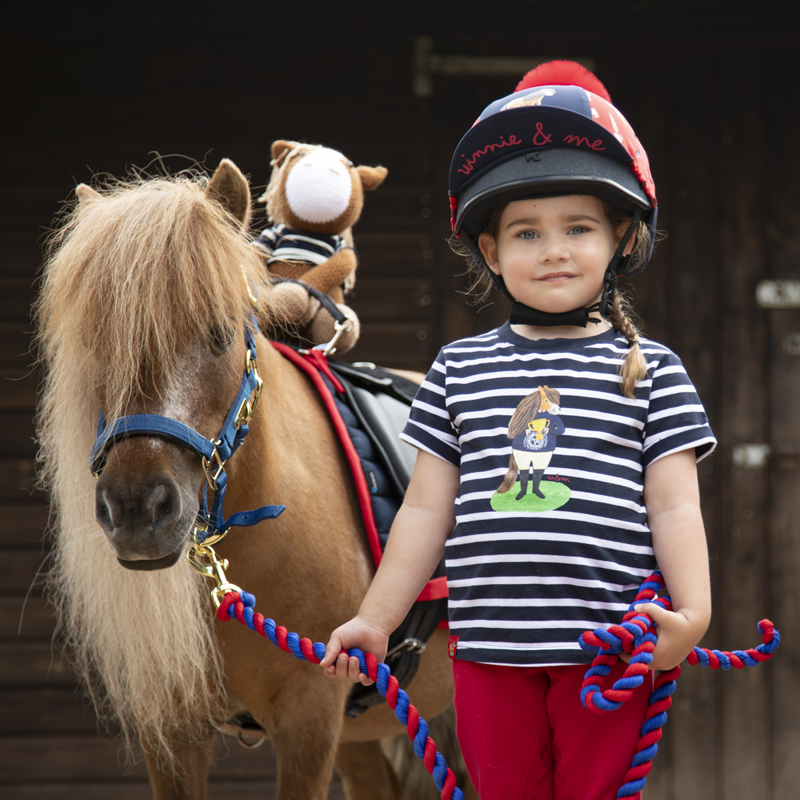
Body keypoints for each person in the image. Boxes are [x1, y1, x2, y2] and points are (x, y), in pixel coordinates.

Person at [320, 61, 716, 800]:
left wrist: (692, 613)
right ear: (493, 252)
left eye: (579, 228)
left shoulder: (652, 371)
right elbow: (427, 510)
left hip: (607, 651)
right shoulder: (458, 370)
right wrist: (376, 620)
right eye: (527, 232)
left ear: (622, 239)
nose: (554, 249)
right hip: (488, 655)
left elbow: (674, 505)